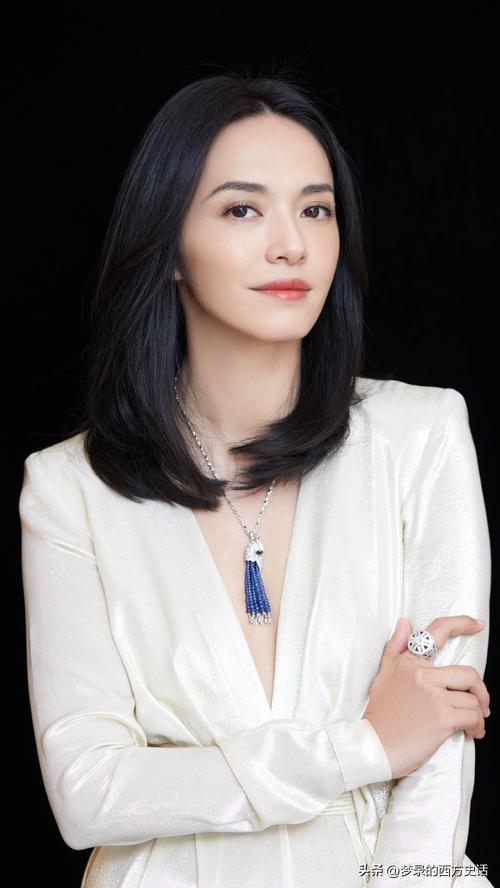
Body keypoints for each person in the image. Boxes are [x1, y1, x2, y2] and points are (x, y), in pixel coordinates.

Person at [19, 70, 492, 888]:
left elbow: (436, 768)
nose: (291, 245)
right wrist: (363, 746)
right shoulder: (71, 489)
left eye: (316, 209)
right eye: (243, 209)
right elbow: (88, 793)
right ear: (168, 245)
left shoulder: (420, 435)